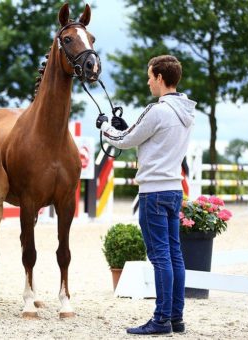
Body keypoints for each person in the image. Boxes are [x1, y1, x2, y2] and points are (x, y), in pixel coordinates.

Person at [96, 55, 196, 335]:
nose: (148, 81)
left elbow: (125, 140)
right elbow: (145, 136)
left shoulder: (157, 110)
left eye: (151, 76)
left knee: (160, 256)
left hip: (153, 192)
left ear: (161, 78)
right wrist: (123, 127)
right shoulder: (187, 112)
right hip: (174, 189)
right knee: (175, 254)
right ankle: (176, 317)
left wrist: (105, 128)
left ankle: (161, 319)